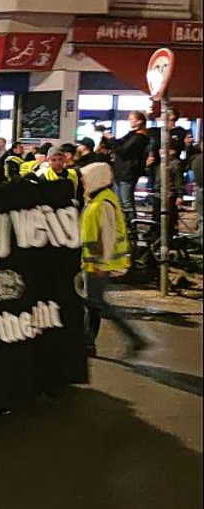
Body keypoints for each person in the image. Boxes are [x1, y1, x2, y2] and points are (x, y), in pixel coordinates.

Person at [80, 163, 148, 358]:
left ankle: (135, 338)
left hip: (98, 264)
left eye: (86, 178)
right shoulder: (98, 199)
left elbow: (107, 236)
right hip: (93, 262)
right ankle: (88, 342)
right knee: (94, 303)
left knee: (96, 303)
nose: (83, 182)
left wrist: (102, 263)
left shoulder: (103, 203)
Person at [112, 110, 151, 238]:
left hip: (128, 172)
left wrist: (111, 141)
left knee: (127, 202)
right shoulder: (132, 135)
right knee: (119, 202)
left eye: (131, 119)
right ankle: (122, 226)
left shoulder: (140, 138)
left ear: (139, 121)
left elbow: (122, 150)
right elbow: (119, 144)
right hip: (120, 172)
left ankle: (130, 228)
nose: (130, 121)